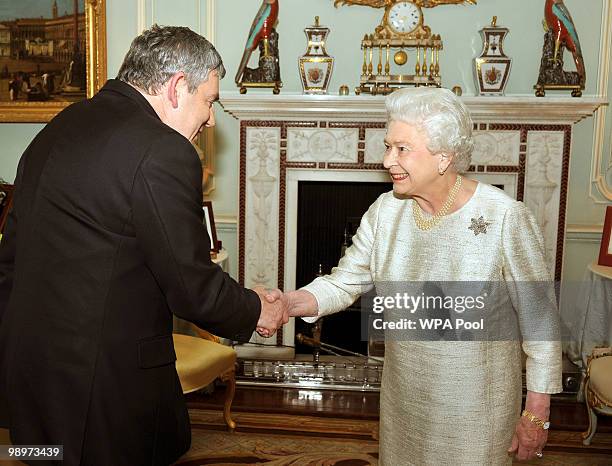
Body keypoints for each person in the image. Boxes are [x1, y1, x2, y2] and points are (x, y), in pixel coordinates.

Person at [0, 25, 287, 466]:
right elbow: (191, 286)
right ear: (176, 87)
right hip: (102, 393)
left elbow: (11, 260)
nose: (211, 119)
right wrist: (257, 309)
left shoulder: (60, 126)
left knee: (39, 458)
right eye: (209, 100)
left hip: (30, 373)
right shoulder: (163, 151)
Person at [273, 87, 562, 465]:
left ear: (444, 156)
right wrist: (288, 304)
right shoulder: (386, 212)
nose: (387, 159)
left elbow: (540, 321)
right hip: (405, 403)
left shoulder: (505, 217)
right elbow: (345, 282)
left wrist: (536, 411)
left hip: (477, 410)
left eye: (401, 148)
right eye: (387, 146)